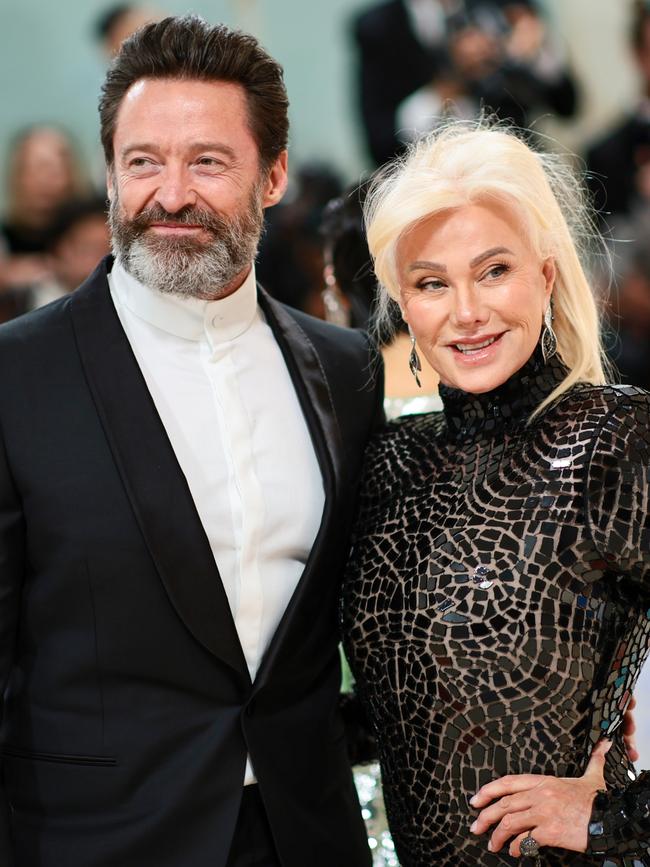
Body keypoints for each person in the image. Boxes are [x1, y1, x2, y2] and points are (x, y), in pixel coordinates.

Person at [0, 16, 383, 867]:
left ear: (273, 174)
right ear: (110, 174)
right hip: (93, 841)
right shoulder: (15, 378)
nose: (171, 194)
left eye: (208, 161)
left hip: (306, 835)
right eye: (143, 162)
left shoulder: (347, 369)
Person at [341, 120, 650, 866]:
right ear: (402, 306)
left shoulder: (618, 438)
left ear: (546, 274)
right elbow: (393, 705)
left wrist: (617, 818)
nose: (468, 311)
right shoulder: (388, 461)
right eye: (432, 283)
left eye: (494, 270)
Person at [353, 0, 577, 166]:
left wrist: (533, 54)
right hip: (432, 182)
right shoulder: (379, 28)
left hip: (516, 165)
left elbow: (568, 106)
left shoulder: (501, 6)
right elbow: (380, 146)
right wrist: (448, 85)